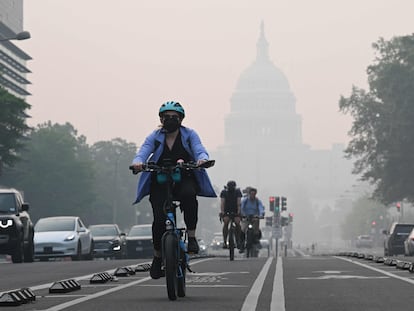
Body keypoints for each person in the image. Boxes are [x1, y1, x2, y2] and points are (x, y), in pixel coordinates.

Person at [131, 101, 216, 279]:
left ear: (181, 119)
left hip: (183, 176)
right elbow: (143, 151)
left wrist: (202, 159)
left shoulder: (189, 134)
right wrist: (138, 163)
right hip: (161, 179)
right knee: (159, 219)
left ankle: (191, 237)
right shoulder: (154, 137)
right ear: (161, 119)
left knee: (189, 195)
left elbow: (199, 149)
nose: (170, 120)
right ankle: (157, 256)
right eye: (167, 117)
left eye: (174, 117)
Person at [240, 187, 265, 252]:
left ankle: (256, 239)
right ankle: (242, 244)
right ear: (249, 194)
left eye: (254, 194)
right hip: (246, 217)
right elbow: (241, 207)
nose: (252, 196)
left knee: (256, 227)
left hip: (254, 217)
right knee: (242, 229)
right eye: (251, 194)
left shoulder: (257, 201)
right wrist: (242, 214)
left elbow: (261, 208)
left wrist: (261, 214)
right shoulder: (245, 201)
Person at [219, 180, 242, 249]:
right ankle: (225, 241)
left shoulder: (237, 192)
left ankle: (238, 240)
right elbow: (222, 203)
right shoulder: (224, 192)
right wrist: (222, 212)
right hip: (226, 211)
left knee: (237, 223)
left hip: (235, 211)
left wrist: (238, 212)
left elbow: (239, 203)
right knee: (226, 222)